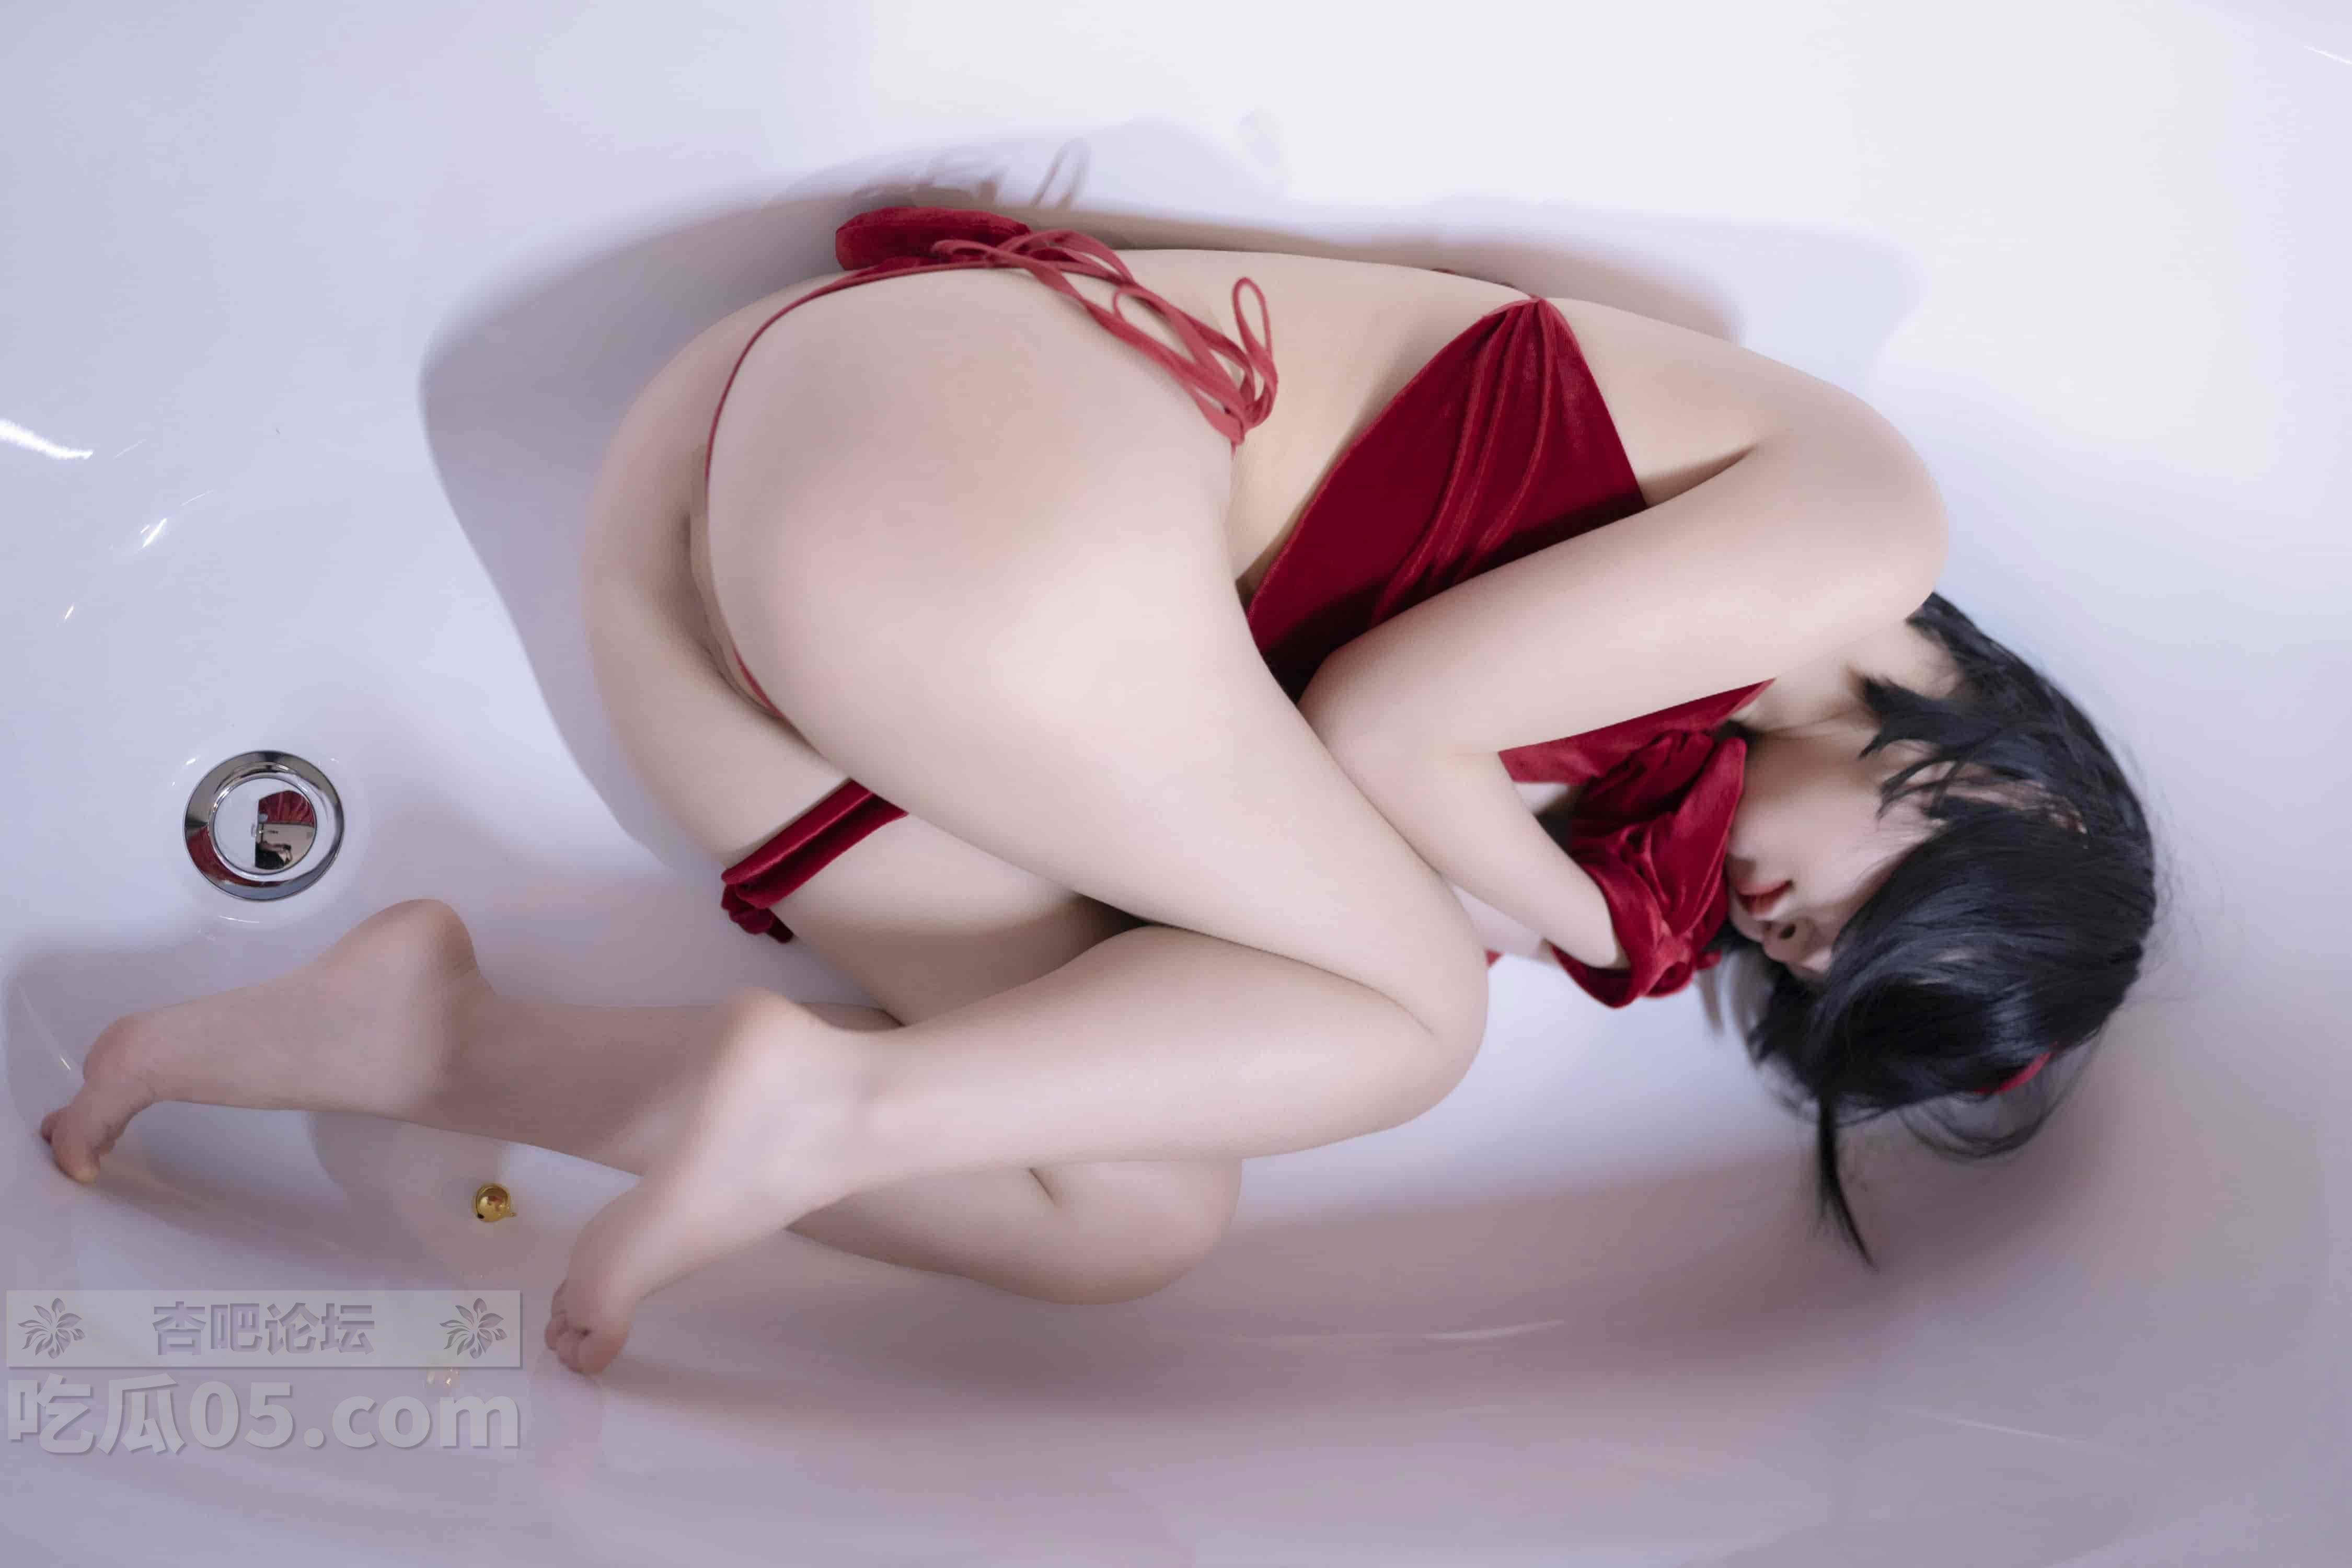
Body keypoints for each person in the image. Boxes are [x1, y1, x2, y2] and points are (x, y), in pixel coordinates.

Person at [37, 209, 2157, 1376]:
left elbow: (1298, 832)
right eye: (1867, 919)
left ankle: (432, 1042)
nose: (1784, 943)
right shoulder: (1857, 536)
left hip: (764, 641)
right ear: (2027, 807)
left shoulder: (1654, 730)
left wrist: (1535, 880)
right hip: (953, 473)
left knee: (1120, 1215)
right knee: (1404, 1021)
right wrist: (1586, 921)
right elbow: (1383, 735)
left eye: (1805, 978)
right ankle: (820, 1107)